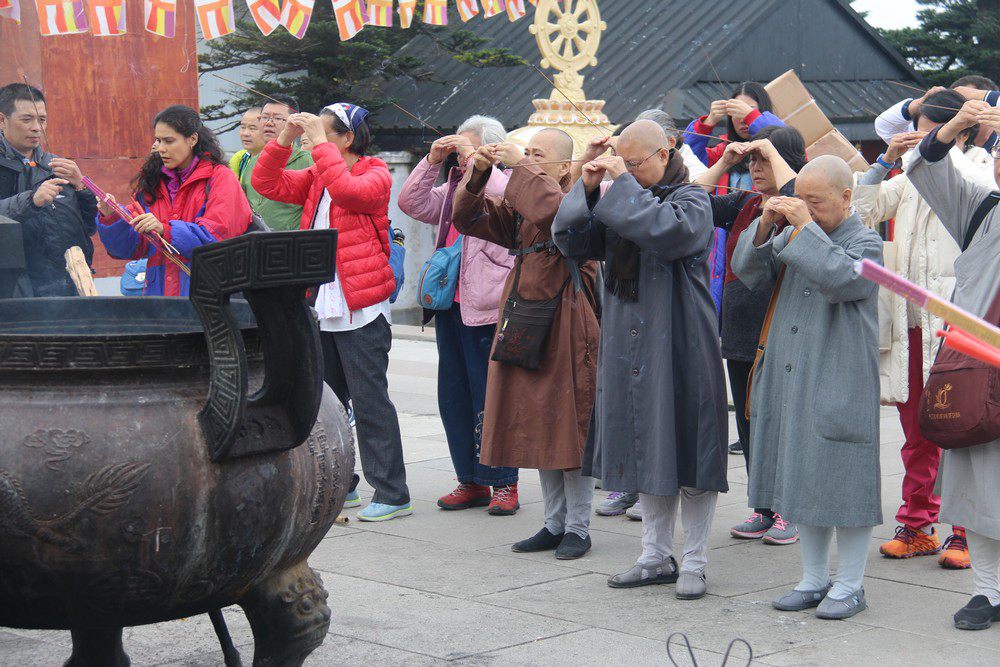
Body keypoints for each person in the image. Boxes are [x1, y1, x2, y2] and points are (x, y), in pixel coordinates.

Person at [553, 119, 728, 600]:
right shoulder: (620, 199)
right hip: (629, 342)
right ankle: (654, 555)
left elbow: (666, 233)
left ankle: (694, 559)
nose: (625, 170)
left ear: (666, 149)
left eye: (635, 162)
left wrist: (620, 184)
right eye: (622, 162)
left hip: (682, 341)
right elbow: (571, 241)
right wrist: (588, 187)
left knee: (690, 448)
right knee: (646, 446)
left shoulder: (692, 199)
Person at [732, 155, 883, 620]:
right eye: (803, 201)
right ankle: (814, 579)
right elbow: (750, 272)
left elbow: (842, 279)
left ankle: (851, 585)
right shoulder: (797, 232)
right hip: (793, 371)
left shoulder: (869, 243)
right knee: (802, 475)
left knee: (846, 477)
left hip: (840, 374)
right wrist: (764, 225)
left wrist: (804, 229)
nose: (808, 210)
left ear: (845, 197)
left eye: (816, 202)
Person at [854, 89, 995, 570]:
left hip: (957, 323)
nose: (918, 134)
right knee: (917, 430)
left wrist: (941, 141)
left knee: (964, 422)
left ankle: (965, 531)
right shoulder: (912, 173)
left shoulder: (978, 165)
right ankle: (916, 524)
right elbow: (863, 210)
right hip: (912, 320)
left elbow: (959, 178)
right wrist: (884, 161)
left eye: (928, 125)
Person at [252, 101, 412, 522]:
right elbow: (266, 183)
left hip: (362, 305)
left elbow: (347, 191)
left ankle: (393, 492)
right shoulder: (319, 175)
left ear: (348, 137)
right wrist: (284, 138)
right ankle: (346, 485)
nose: (313, 136)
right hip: (321, 300)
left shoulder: (375, 173)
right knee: (329, 402)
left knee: (369, 399)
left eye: (325, 131)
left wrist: (318, 143)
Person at [451, 129, 601, 559]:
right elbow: (468, 219)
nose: (528, 159)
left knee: (570, 427)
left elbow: (557, 217)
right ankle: (553, 523)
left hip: (567, 317)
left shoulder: (579, 196)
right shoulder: (526, 196)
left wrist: (519, 164)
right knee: (537, 423)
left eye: (538, 155)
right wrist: (477, 175)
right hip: (524, 314)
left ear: (561, 166)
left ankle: (578, 526)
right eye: (527, 153)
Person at [905, 98, 1000, 630]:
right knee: (981, 485)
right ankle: (989, 591)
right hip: (979, 371)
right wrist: (958, 125)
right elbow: (924, 169)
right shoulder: (984, 207)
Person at [398, 115, 518, 516]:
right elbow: (411, 203)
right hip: (449, 301)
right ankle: (469, 479)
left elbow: (512, 198)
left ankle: (502, 481)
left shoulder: (504, 182)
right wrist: (432, 161)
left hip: (486, 302)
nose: (461, 155)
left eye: (471, 147)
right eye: (460, 147)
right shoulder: (452, 187)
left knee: (490, 395)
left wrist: (480, 164)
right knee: (454, 395)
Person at [693, 127, 806, 546]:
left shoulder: (804, 204)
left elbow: (796, 184)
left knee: (784, 421)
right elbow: (689, 197)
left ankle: (790, 508)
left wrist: (772, 151)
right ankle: (763, 506)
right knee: (749, 419)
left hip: (784, 330)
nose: (756, 169)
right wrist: (724, 161)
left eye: (764, 160)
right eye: (752, 162)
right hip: (740, 332)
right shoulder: (744, 204)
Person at [686, 82, 786, 457]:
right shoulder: (735, 183)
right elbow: (691, 178)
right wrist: (709, 125)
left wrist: (755, 121)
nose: (756, 169)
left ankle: (778, 510)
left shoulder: (796, 192)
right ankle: (762, 505)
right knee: (746, 408)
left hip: (775, 309)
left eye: (749, 112)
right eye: (735, 114)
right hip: (730, 284)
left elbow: (790, 144)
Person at [97, 105, 251, 296]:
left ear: (192, 139)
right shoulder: (154, 181)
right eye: (158, 140)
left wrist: (165, 230)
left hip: (209, 296)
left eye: (169, 141)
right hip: (160, 300)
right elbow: (130, 248)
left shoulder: (220, 178)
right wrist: (112, 217)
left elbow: (217, 240)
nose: (161, 149)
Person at [0, 82, 97, 297]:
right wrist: (31, 201)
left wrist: (82, 186)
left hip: (65, 286)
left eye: (42, 119)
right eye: (27, 119)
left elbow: (89, 225)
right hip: (14, 292)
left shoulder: (57, 165)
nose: (37, 127)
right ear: (2, 120)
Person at [243, 95, 314, 231]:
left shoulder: (308, 161)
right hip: (256, 243)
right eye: (264, 117)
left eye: (277, 118)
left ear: (295, 123)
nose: (269, 123)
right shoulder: (252, 161)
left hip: (293, 244)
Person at [875, 75, 999, 152]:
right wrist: (922, 101)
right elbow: (884, 125)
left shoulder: (985, 155)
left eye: (972, 103)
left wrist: (984, 95)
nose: (965, 111)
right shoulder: (921, 145)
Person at [229, 106, 265, 180]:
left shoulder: (277, 160)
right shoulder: (240, 159)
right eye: (242, 127)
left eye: (252, 128)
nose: (245, 133)